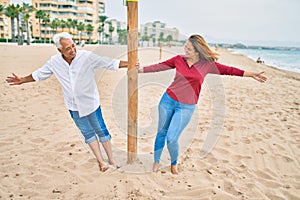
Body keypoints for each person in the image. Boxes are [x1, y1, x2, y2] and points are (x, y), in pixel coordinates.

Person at [138, 34, 267, 174]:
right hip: (167, 100)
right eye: (185, 47)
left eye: (189, 49)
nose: (185, 50)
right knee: (161, 132)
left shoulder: (207, 65)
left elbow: (229, 70)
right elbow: (159, 66)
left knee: (172, 138)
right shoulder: (178, 60)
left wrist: (251, 74)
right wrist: (141, 70)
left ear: (197, 51)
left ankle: (173, 163)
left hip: (186, 107)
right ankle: (156, 161)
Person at [6, 32, 128, 172]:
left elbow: (109, 63)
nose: (72, 50)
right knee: (87, 133)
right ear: (60, 50)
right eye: (68, 48)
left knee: (101, 130)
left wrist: (128, 64)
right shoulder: (54, 62)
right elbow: (39, 74)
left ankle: (111, 158)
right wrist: (22, 80)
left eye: (73, 46)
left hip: (91, 103)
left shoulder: (86, 57)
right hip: (73, 106)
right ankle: (101, 161)